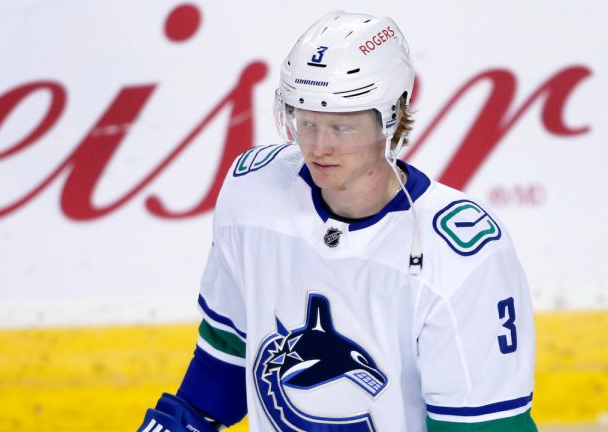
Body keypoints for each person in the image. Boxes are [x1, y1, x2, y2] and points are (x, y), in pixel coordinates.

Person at [138, 10, 537, 432]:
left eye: (342, 127)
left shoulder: (461, 257)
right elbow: (222, 367)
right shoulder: (253, 196)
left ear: (393, 117)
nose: (319, 147)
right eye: (306, 122)